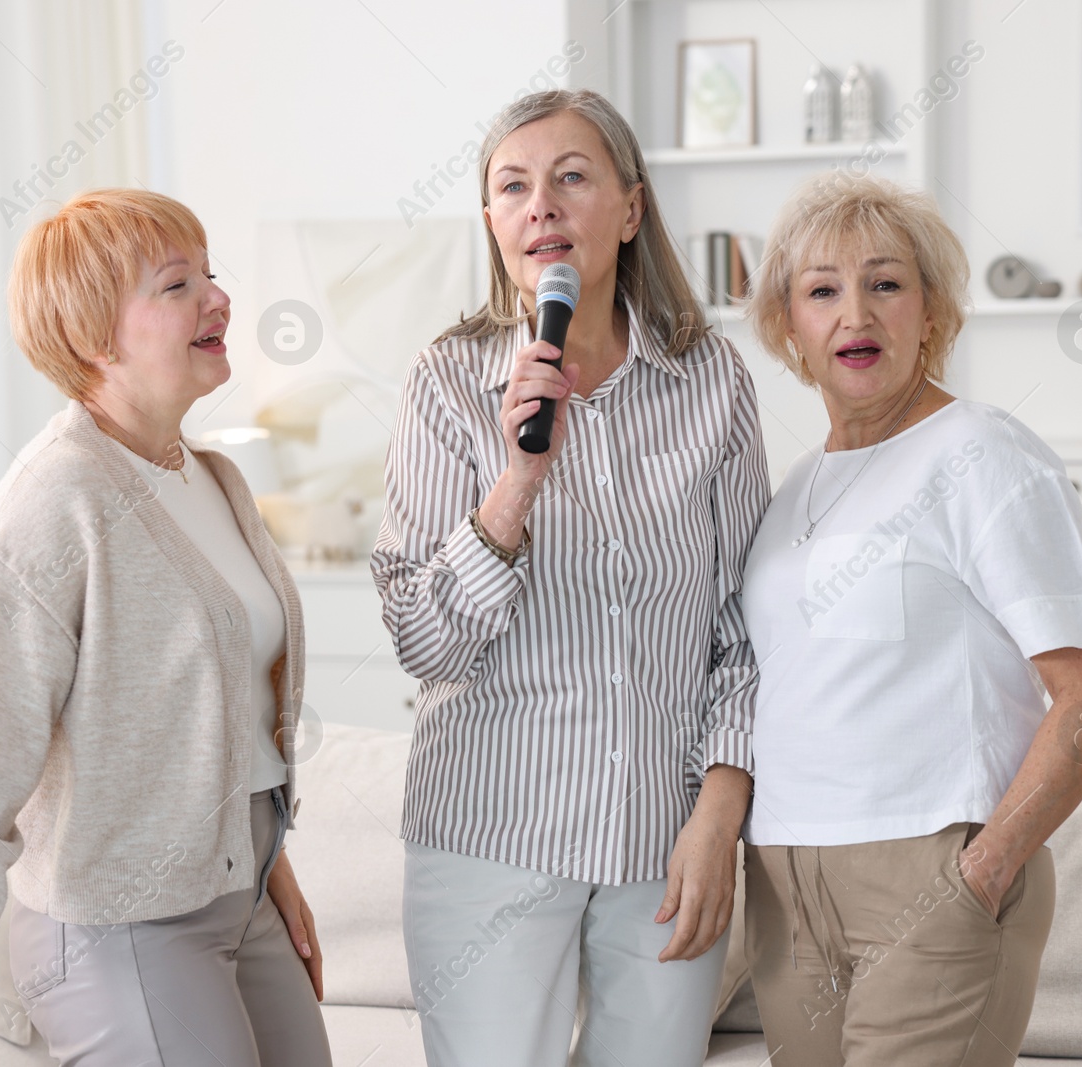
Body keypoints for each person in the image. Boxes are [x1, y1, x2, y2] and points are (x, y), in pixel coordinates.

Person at [0, 189, 332, 1067]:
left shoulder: (216, 479)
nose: (218, 298)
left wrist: (265, 857)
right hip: (119, 927)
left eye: (210, 274)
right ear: (95, 335)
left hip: (242, 892)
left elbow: (224, 718)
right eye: (177, 285)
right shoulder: (55, 503)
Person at [371, 89, 770, 1067]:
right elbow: (425, 640)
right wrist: (517, 479)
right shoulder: (445, 381)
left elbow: (749, 628)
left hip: (664, 842)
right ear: (492, 224)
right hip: (489, 834)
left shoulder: (711, 381)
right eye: (513, 185)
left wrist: (719, 816)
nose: (540, 204)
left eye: (571, 177)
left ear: (630, 210)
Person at [737, 172, 1082, 1065]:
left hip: (931, 873)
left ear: (932, 313)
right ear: (786, 327)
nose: (856, 315)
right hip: (786, 890)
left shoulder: (984, 452)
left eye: (886, 283)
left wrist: (982, 873)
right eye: (822, 291)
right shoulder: (793, 489)